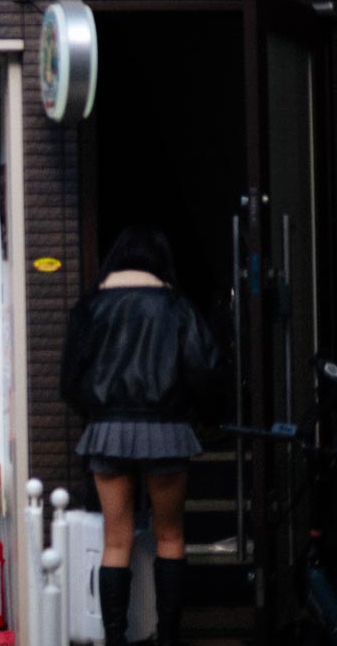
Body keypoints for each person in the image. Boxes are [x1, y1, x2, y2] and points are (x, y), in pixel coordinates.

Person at [59, 225, 221, 646]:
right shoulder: (177, 306)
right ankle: (168, 637)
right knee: (170, 535)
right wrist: (200, 415)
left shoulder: (91, 306)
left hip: (107, 431)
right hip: (167, 430)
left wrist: (97, 414)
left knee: (116, 541)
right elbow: (203, 369)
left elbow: (69, 379)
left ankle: (115, 637)